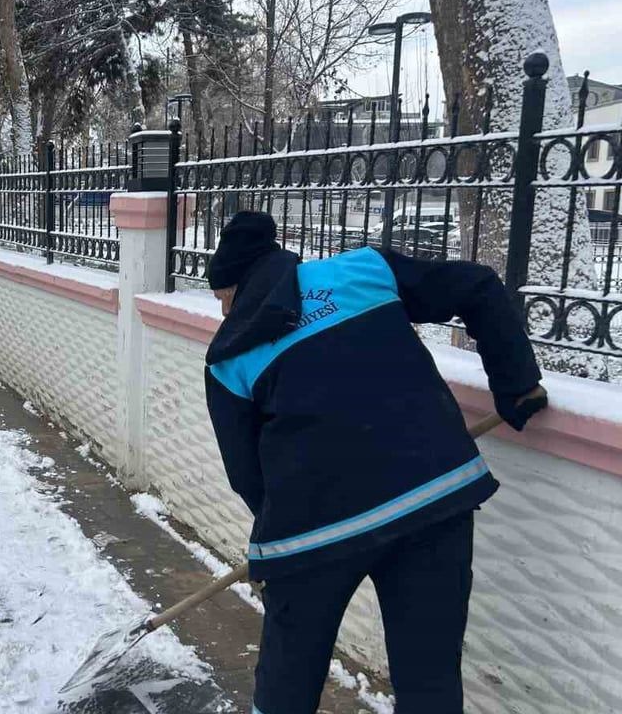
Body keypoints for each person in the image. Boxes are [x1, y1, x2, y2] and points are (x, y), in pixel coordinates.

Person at [202, 211, 547, 714]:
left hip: (313, 530)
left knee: (288, 678)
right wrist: (515, 385)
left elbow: (246, 474)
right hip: (434, 496)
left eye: (220, 301)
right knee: (429, 675)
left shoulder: (227, 357)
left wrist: (285, 533)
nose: (221, 313)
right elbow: (477, 285)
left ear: (232, 290)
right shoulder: (364, 270)